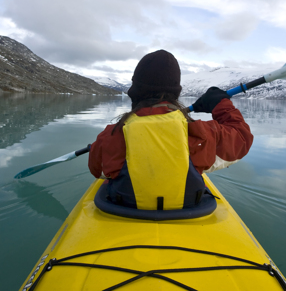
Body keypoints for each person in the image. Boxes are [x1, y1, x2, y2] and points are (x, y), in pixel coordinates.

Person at [88, 50, 253, 211]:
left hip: (124, 209)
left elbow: (97, 170)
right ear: (175, 93)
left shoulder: (110, 136)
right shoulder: (201, 134)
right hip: (189, 209)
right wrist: (221, 104)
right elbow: (242, 138)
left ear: (135, 91)